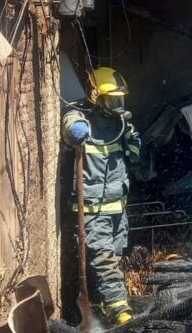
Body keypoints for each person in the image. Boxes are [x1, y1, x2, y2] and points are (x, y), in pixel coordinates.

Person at [63, 66, 141, 326]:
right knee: (105, 262)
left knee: (112, 259)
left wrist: (134, 147)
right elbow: (69, 126)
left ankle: (98, 310)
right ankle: (122, 314)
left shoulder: (121, 123)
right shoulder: (80, 116)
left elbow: (134, 144)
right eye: (112, 99)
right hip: (93, 212)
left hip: (118, 210)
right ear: (96, 97)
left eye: (120, 99)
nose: (117, 105)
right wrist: (74, 130)